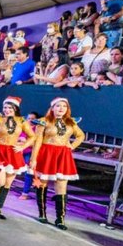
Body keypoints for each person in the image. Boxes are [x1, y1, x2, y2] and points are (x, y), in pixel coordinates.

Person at [29, 98, 84, 230]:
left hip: (63, 156)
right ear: (52, 108)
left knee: (61, 186)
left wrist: (72, 146)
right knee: (42, 184)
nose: (61, 108)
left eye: (64, 106)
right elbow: (38, 141)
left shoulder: (71, 122)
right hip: (46, 154)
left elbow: (81, 136)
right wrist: (33, 159)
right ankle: (42, 213)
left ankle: (60, 219)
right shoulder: (44, 121)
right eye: (58, 106)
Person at [0, 97, 36, 220]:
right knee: (0, 182)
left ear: (15, 109)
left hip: (13, 153)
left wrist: (23, 146)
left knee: (7, 184)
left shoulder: (22, 121)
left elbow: (32, 136)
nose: (6, 110)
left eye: (9, 108)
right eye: (5, 107)